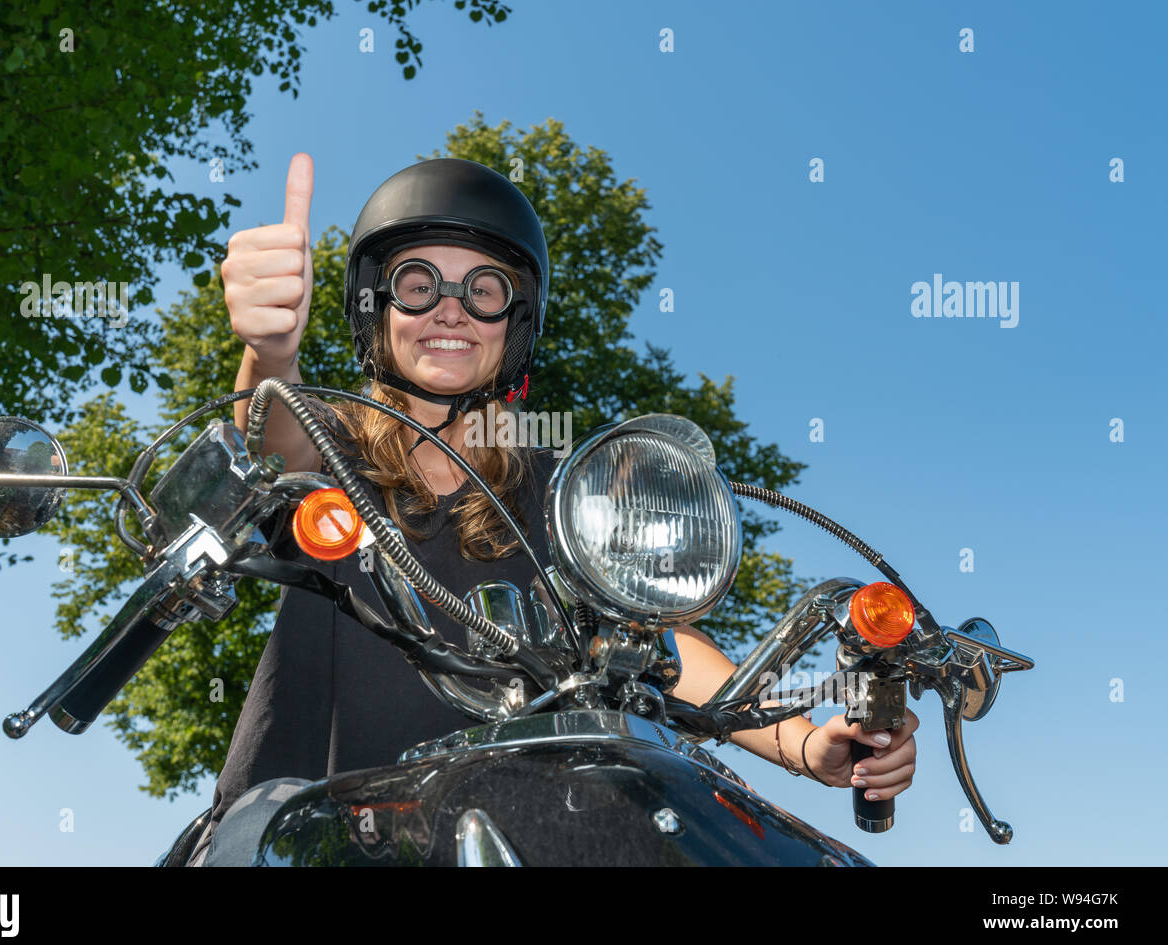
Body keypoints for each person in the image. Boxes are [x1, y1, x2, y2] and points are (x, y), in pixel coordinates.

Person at [189, 154, 919, 866]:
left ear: (517, 321)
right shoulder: (331, 448)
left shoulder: (565, 490)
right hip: (309, 822)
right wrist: (272, 353)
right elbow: (268, 444)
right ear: (373, 308)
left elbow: (661, 647)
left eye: (483, 289)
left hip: (529, 817)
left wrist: (800, 742)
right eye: (418, 284)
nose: (450, 308)